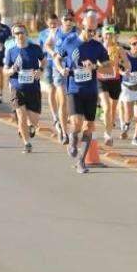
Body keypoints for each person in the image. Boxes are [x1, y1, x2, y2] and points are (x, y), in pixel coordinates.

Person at [55, 11, 110, 174]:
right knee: (77, 123)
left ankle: (81, 161)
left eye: (95, 30)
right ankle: (72, 140)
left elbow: (109, 66)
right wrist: (60, 69)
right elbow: (58, 58)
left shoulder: (98, 46)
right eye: (89, 29)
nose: (92, 33)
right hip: (74, 89)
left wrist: (95, 67)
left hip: (91, 91)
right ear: (82, 25)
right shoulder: (70, 41)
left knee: (89, 127)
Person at [4, 23, 46, 153]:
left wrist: (40, 70)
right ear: (13, 35)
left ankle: (30, 127)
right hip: (17, 88)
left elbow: (44, 60)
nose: (19, 35)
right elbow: (5, 70)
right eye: (16, 33)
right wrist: (11, 70)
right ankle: (27, 143)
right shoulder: (11, 51)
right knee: (21, 116)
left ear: (26, 34)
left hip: (33, 88)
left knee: (34, 119)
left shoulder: (35, 48)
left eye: (22, 32)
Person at [45, 11, 78, 144]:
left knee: (73, 102)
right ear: (61, 20)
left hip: (74, 69)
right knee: (63, 101)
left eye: (71, 19)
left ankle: (73, 129)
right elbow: (47, 45)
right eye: (66, 19)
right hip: (58, 69)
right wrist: (53, 54)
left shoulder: (77, 33)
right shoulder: (55, 32)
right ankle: (64, 133)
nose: (68, 22)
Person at [98, 25, 130, 146]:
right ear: (102, 35)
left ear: (113, 36)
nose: (108, 36)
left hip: (115, 81)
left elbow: (127, 63)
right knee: (106, 107)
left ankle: (108, 129)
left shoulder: (118, 49)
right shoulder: (98, 48)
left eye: (110, 34)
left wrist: (127, 69)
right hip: (101, 80)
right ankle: (108, 135)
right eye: (106, 34)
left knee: (111, 110)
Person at [38, 13, 61, 126]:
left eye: (55, 23)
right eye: (51, 23)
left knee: (61, 90)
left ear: (58, 22)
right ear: (47, 23)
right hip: (48, 64)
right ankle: (55, 116)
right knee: (51, 89)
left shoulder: (61, 33)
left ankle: (62, 113)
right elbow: (40, 51)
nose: (53, 25)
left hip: (60, 64)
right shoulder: (42, 34)